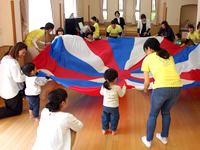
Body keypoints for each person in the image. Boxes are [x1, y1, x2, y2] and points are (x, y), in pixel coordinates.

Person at [141, 38, 182, 148]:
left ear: (149, 48)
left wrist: (145, 90)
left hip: (161, 88)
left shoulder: (148, 58)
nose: (146, 53)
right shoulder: (168, 55)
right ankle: (164, 137)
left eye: (146, 50)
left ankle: (148, 140)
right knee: (166, 112)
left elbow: (146, 82)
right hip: (177, 87)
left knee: (153, 114)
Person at [0, 42, 27, 119]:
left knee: (11, 107)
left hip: (3, 89)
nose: (23, 55)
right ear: (18, 50)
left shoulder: (5, 58)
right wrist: (27, 75)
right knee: (16, 111)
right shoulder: (14, 63)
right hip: (11, 91)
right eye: (23, 52)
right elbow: (18, 79)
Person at [100, 68, 126, 135]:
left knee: (105, 118)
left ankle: (104, 129)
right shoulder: (117, 88)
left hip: (105, 106)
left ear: (105, 79)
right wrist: (124, 88)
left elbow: (101, 93)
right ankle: (113, 130)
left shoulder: (104, 86)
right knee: (114, 118)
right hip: (114, 107)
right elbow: (121, 94)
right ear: (115, 79)